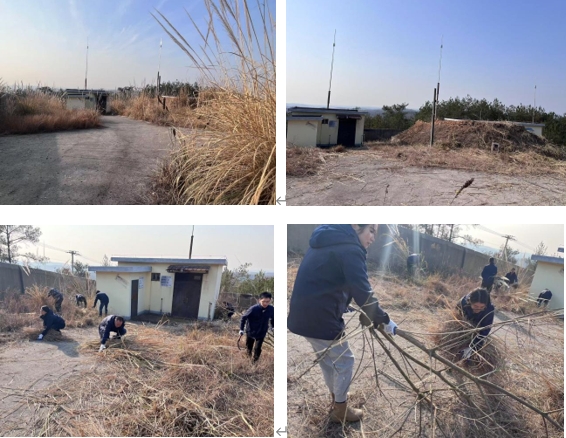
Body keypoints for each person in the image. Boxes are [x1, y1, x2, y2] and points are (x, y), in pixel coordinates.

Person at [288, 224, 397, 424]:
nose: (373, 237)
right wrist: (385, 320)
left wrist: (344, 305)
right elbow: (363, 292)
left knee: (328, 360)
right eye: (371, 230)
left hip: (302, 315)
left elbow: (326, 280)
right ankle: (340, 409)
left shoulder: (325, 240)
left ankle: (338, 396)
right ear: (356, 225)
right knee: (345, 360)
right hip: (321, 318)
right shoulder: (351, 249)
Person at [456, 288, 495, 360]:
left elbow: (485, 329)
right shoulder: (463, 303)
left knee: (473, 356)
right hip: (462, 328)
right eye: (475, 306)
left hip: (477, 330)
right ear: (470, 302)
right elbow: (456, 319)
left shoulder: (489, 309)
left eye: (482, 307)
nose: (478, 309)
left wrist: (472, 347)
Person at [239, 292, 274, 362]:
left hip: (262, 332)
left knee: (257, 348)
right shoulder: (253, 309)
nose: (265, 303)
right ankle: (248, 360)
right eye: (263, 301)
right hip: (251, 331)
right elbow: (243, 318)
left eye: (267, 302)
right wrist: (241, 329)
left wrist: (273, 326)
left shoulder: (271, 309)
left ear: (270, 300)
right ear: (259, 300)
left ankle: (255, 362)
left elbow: (273, 318)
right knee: (249, 347)